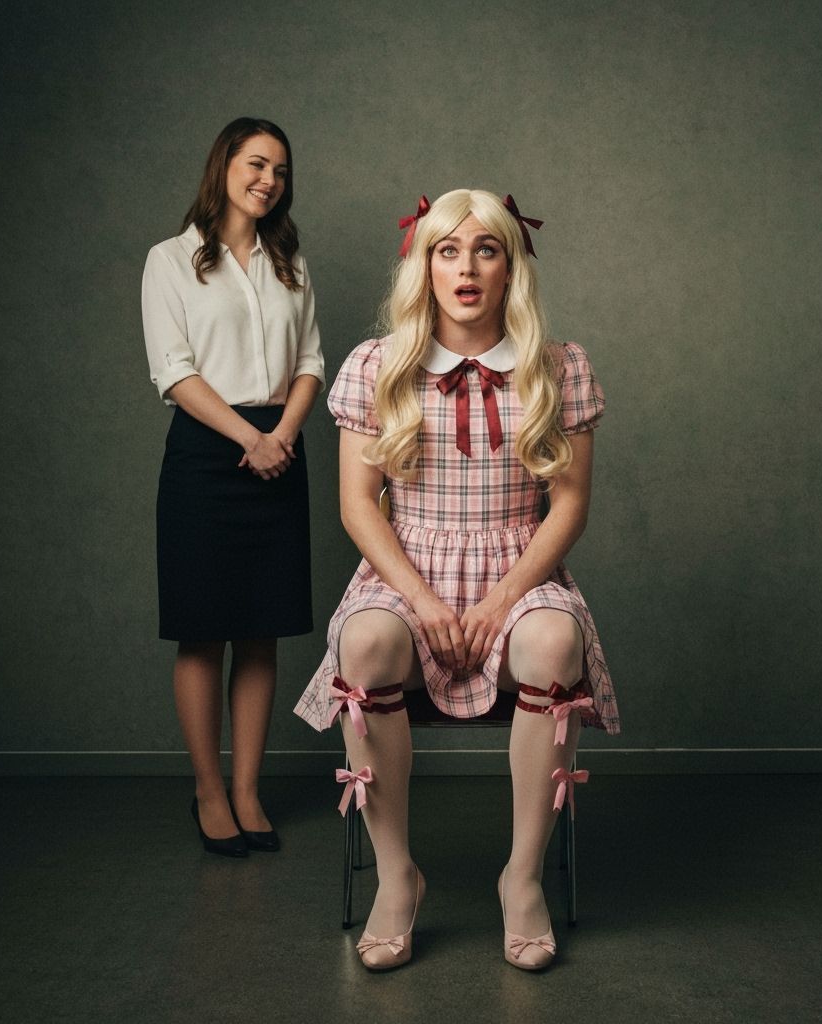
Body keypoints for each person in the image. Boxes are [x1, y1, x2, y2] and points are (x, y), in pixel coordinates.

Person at [294, 188, 619, 969]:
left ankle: (523, 878)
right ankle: (397, 877)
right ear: (424, 264)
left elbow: (569, 506)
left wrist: (503, 596)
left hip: (519, 567)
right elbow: (355, 504)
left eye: (486, 249)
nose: (466, 267)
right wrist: (423, 600)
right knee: (366, 645)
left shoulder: (557, 365)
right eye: (447, 250)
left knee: (551, 640)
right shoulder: (378, 364)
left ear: (512, 266)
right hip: (409, 572)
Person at [142, 117, 324, 857]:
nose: (269, 180)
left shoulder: (291, 262)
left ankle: (249, 790)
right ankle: (209, 791)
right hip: (208, 455)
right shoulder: (170, 259)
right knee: (202, 627)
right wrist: (249, 436)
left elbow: (312, 360)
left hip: (281, 448)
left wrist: (281, 434)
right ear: (224, 166)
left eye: (280, 170)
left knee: (260, 627)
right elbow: (173, 370)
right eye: (257, 164)